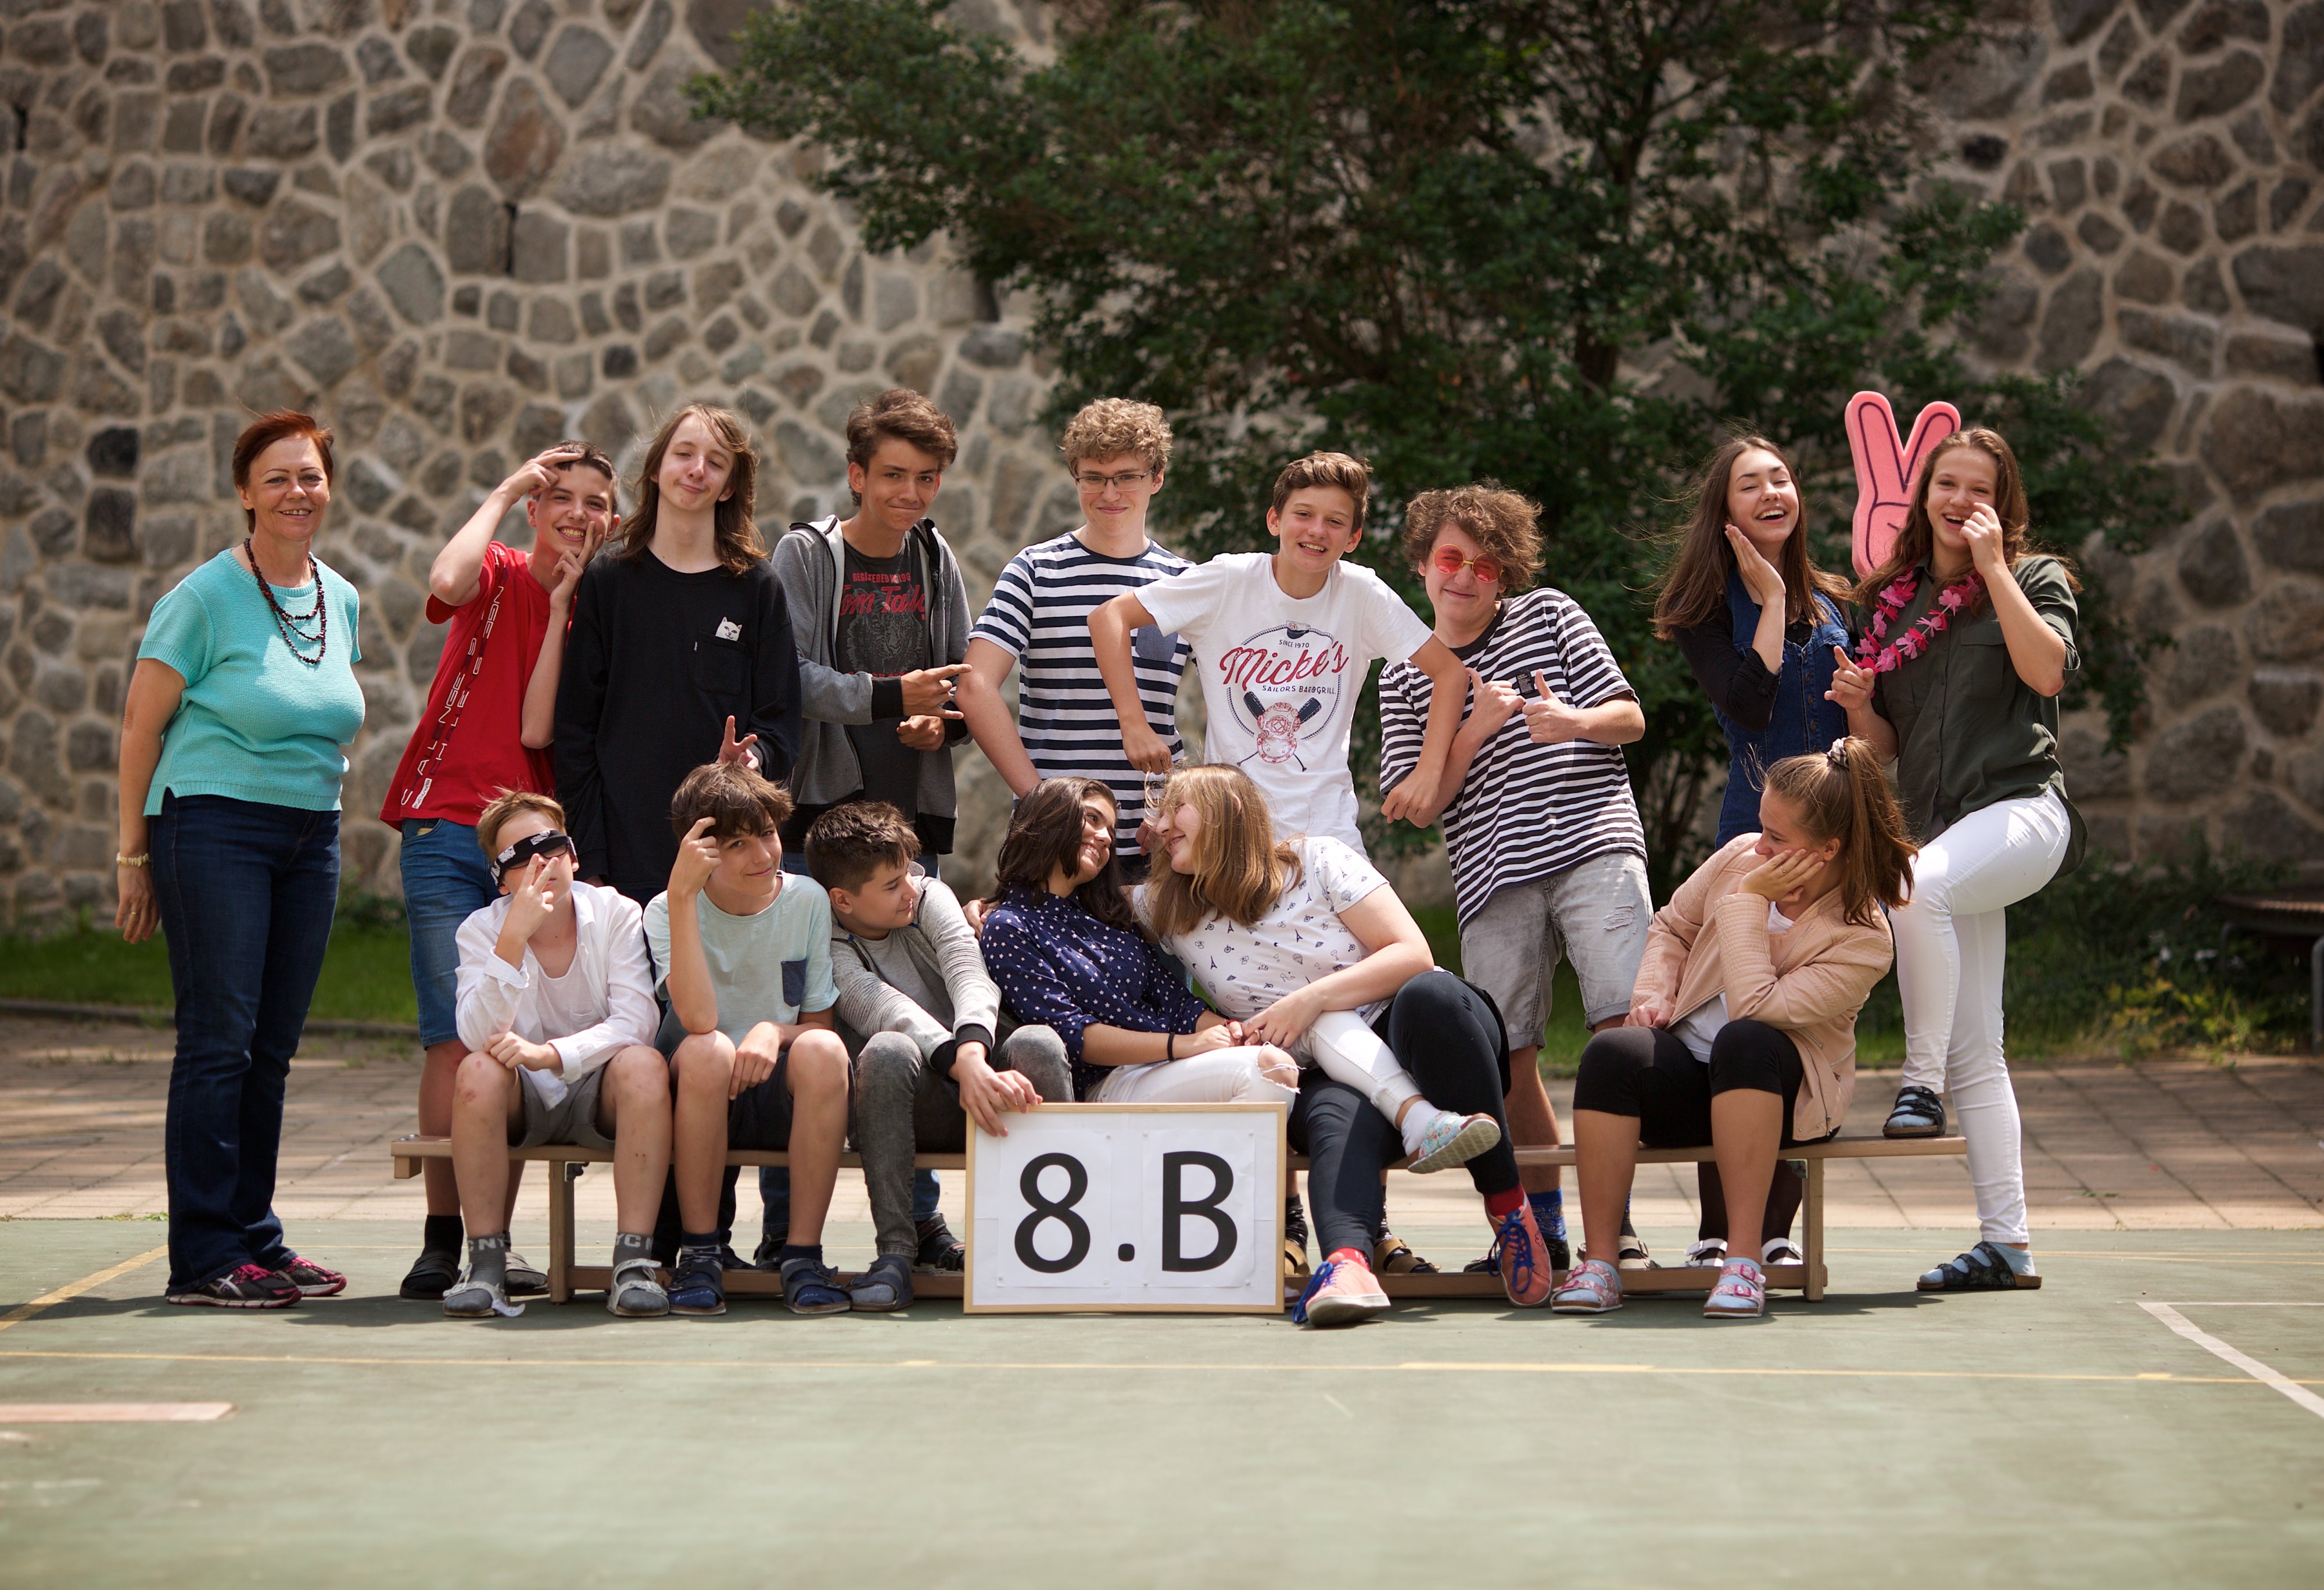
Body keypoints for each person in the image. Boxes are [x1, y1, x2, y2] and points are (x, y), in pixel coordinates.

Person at [1141, 764, 1552, 1319]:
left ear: (1229, 809)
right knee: (1334, 1110)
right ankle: (1348, 1265)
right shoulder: (1166, 906)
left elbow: (1413, 954)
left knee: (1430, 995)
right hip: (1320, 1068)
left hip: (1420, 1038)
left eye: (1176, 809)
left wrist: (1311, 999)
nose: (1160, 824)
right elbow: (1071, 896)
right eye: (1157, 813)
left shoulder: (1316, 860)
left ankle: (1507, 1206)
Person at [114, 411, 364, 1308]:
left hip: (311, 836)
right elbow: (140, 727)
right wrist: (132, 855)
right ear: (245, 493)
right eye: (277, 478)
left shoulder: (341, 598)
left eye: (310, 476)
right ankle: (204, 1256)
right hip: (212, 826)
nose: (297, 492)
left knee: (272, 1049)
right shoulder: (203, 597)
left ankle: (254, 1238)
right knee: (220, 1042)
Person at [1827, 427, 2084, 1293]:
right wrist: (1859, 705)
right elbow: (1885, 749)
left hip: (2022, 811)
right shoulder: (1888, 601)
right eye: (1947, 484)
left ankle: (1919, 1084)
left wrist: (1995, 568)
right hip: (1942, 834)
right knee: (1982, 1045)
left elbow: (2046, 675)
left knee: (1911, 888)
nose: (1960, 500)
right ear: (1924, 494)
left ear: (2001, 507)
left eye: (1980, 489)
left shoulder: (2034, 578)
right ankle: (2008, 1246)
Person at [1378, 484, 1649, 1276]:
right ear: (1422, 564)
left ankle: (1616, 1231)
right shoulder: (1403, 671)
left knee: (1622, 1035)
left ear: (1506, 574)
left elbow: (1629, 718)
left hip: (1594, 845)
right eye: (1450, 558)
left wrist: (1573, 722)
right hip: (1492, 875)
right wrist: (1474, 729)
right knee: (1505, 1059)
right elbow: (1415, 806)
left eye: (1486, 565)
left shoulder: (1553, 614)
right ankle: (1545, 1230)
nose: (1465, 576)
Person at [1551, 741, 1913, 1319]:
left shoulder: (1863, 936)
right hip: (1696, 1086)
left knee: (1744, 1042)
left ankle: (1743, 1263)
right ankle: (1600, 1263)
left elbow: (1756, 1007)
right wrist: (1655, 994)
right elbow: (1673, 926)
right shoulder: (1741, 856)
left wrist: (1749, 903)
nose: (1758, 847)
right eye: (1762, 828)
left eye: (1776, 837)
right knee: (1611, 1051)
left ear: (1828, 849)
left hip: (1783, 1101)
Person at [382, 441, 619, 1303]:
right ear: (533, 509)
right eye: (561, 497)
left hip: (538, 845)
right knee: (453, 1036)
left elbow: (536, 732)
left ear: (614, 522)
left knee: (506, 1035)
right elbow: (445, 580)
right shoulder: (499, 567)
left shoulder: (598, 604)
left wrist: (563, 612)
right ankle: (442, 1240)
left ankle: (496, 1240)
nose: (578, 514)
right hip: (448, 822)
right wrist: (508, 485)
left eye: (596, 502)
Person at [766, 389, 971, 1270]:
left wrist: (943, 725)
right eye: (892, 475)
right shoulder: (806, 554)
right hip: (813, 827)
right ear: (856, 475)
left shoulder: (934, 555)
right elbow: (788, 676)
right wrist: (891, 699)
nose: (909, 493)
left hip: (907, 827)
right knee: (802, 1016)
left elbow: (960, 681)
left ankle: (918, 1220)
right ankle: (784, 1225)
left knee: (916, 1014)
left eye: (925, 478)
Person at [1651, 436, 1856, 1266]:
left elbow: (1869, 725)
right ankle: (1716, 1231)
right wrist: (1769, 601)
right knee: (1729, 1017)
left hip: (1838, 844)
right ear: (1725, 511)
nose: (1772, 492)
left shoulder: (1838, 599)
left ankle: (1775, 1234)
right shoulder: (1703, 610)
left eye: (1780, 478)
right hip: (1756, 834)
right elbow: (1748, 706)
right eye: (1750, 484)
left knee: (1801, 1024)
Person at [1089, 450, 1466, 855]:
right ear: (1275, 520)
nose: (1317, 530)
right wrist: (1134, 725)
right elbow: (1109, 617)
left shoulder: (1362, 594)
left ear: (1353, 539)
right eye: (1303, 514)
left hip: (1327, 831)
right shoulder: (1229, 581)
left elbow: (1450, 674)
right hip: (1230, 829)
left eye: (1335, 521)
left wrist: (1429, 770)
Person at [805, 801, 1071, 1311]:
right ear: (843, 900)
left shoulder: (929, 895)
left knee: (1038, 1042)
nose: (910, 889)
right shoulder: (830, 946)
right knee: (887, 1048)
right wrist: (961, 1065)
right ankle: (896, 1255)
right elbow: (886, 1010)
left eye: (909, 873)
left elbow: (968, 970)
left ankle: (1054, 1243)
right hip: (908, 1107)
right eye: (891, 885)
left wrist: (973, 1057)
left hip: (989, 1081)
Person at [555, 403, 801, 907]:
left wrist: (752, 760)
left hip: (727, 856)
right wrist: (592, 861)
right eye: (684, 454)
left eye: (715, 462)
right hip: (624, 860)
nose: (697, 470)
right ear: (657, 469)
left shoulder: (758, 587)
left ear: (728, 487)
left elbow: (781, 723)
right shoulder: (608, 582)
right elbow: (576, 731)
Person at [442, 792, 668, 1320]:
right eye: (521, 857)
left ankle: (633, 1264)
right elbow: (475, 1035)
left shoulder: (616, 912)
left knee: (646, 1065)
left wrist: (550, 1054)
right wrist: (512, 940)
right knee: (476, 1071)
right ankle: (486, 1266)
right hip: (520, 1099)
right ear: (501, 880)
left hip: (599, 1092)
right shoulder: (480, 930)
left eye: (552, 845)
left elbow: (638, 1021)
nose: (541, 863)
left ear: (574, 855)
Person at [646, 762, 853, 1317]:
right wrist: (683, 896)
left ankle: (802, 1257)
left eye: (766, 833)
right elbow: (697, 1018)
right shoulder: (666, 909)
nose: (762, 855)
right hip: (696, 1090)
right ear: (701, 852)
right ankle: (700, 1255)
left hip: (774, 1086)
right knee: (708, 1049)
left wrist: (771, 1030)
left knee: (825, 1051)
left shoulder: (807, 899)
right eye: (738, 844)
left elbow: (819, 1025)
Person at [956, 398, 1193, 872]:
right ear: (1075, 478)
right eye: (1094, 478)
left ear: (1157, 478)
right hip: (1054, 840)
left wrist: (1182, 809)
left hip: (1155, 843)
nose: (1110, 493)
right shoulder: (1035, 570)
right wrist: (1041, 802)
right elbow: (974, 685)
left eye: (1127, 476)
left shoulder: (1185, 582)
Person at [978, 779, 1299, 1108]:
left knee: (1273, 1060)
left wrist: (1234, 1032)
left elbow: (1176, 1004)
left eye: (1111, 832)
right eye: (1092, 819)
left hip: (1170, 1064)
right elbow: (1071, 1033)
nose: (1105, 838)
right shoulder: (1009, 926)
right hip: (1108, 1080)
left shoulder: (1108, 918)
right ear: (1049, 818)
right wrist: (1183, 1045)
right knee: (1271, 1071)